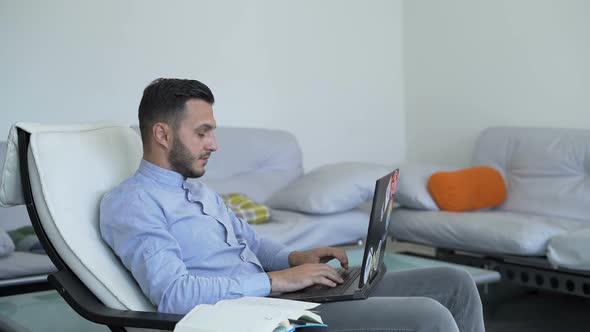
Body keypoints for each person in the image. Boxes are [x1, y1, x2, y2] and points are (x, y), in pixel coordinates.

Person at [100, 78, 485, 332]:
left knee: (454, 282)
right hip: (259, 317)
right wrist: (275, 282)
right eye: (203, 133)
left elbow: (252, 243)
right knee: (429, 317)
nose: (214, 144)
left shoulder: (199, 192)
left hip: (283, 296)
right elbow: (174, 295)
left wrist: (296, 259)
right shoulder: (133, 203)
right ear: (163, 134)